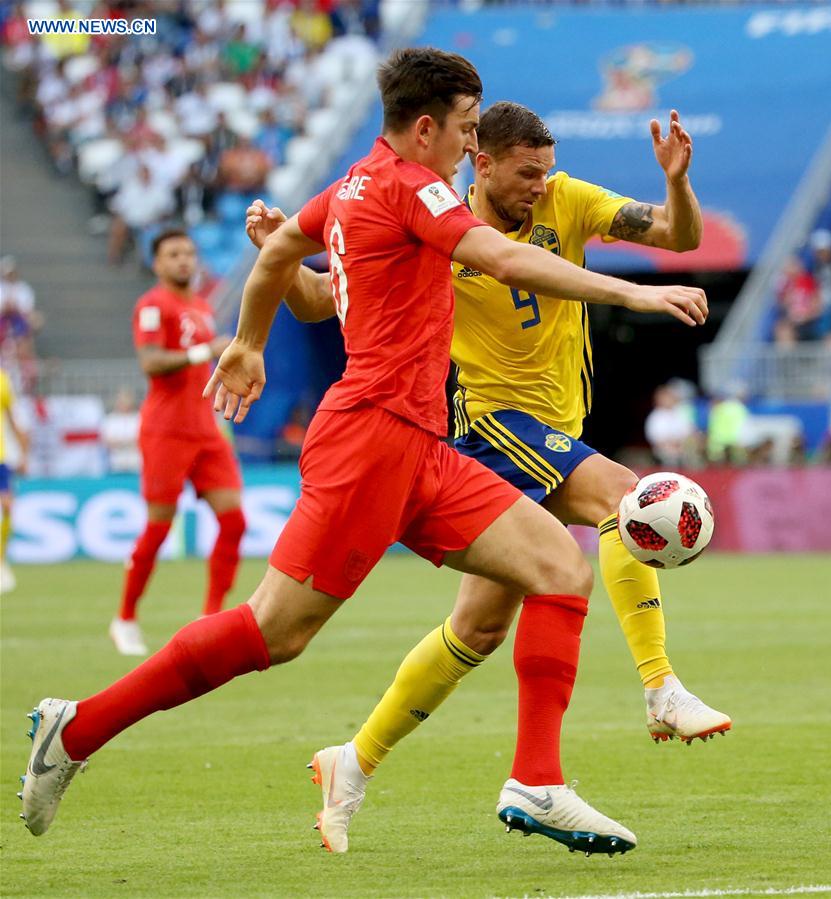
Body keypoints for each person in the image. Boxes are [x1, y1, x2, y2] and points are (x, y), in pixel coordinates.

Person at [21, 48, 707, 857]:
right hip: (371, 440)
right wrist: (634, 292)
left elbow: (283, 252)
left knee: (558, 567)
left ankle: (537, 779)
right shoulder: (415, 187)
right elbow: (498, 255)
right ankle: (78, 728)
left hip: (421, 445)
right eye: (464, 128)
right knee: (274, 632)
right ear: (424, 129)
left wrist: (248, 342)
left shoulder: (353, 185)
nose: (470, 144)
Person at [247, 100, 729, 851]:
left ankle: (352, 760)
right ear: (483, 163)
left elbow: (678, 236)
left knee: (477, 628)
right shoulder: (436, 224)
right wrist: (282, 258)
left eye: (546, 171)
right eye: (527, 173)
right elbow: (317, 302)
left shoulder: (567, 199)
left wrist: (675, 182)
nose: (541, 185)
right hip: (490, 425)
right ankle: (659, 686)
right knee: (625, 499)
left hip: (557, 429)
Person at [108, 230, 246, 656]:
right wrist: (204, 352)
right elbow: (150, 362)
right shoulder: (153, 305)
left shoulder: (202, 307)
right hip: (166, 430)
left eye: (188, 253)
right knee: (159, 526)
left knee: (234, 521)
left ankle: (210, 619)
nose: (184, 260)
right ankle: (125, 618)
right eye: (173, 254)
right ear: (157, 263)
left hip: (205, 431)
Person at [0, 367, 29, 593]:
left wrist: (23, 452)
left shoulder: (3, 380)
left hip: (1, 456)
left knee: (7, 506)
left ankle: (0, 561)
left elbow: (12, 419)